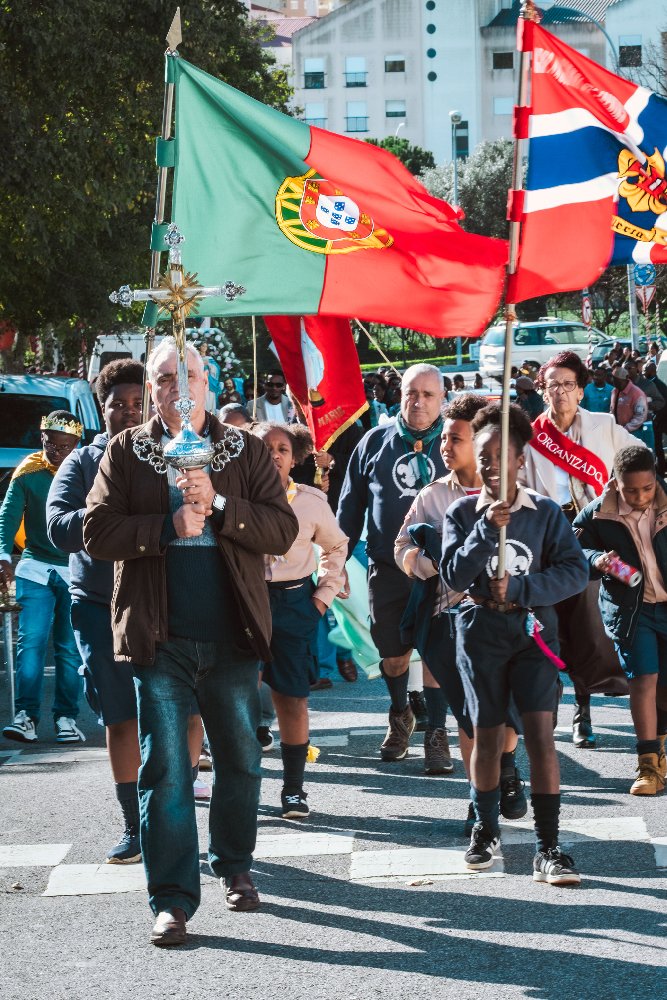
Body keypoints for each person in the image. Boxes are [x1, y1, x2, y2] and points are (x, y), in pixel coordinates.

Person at [83, 337, 298, 946]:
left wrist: (223, 506)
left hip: (232, 634)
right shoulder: (126, 452)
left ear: (210, 382)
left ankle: (234, 865)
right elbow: (96, 530)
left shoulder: (244, 448)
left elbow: (281, 530)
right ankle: (173, 899)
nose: (180, 387)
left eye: (191, 374)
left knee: (241, 760)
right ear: (151, 388)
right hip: (160, 637)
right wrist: (166, 526)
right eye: (166, 377)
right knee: (167, 769)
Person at [442, 403, 589, 885]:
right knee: (486, 734)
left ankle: (549, 845)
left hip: (532, 634)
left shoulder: (544, 513)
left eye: (500, 457)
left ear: (520, 460)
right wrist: (485, 530)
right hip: (480, 632)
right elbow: (453, 574)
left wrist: (525, 589)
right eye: (482, 456)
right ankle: (485, 828)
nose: (489, 466)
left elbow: (574, 571)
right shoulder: (461, 513)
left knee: (540, 734)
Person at [395, 394, 527, 831]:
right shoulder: (432, 496)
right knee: (471, 719)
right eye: (443, 438)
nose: (444, 447)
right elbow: (402, 546)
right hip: (450, 623)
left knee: (507, 718)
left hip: (509, 619)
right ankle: (479, 802)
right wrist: (422, 562)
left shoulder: (517, 494)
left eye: (456, 438)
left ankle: (506, 766)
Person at [524, 351, 639, 748]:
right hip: (545, 536)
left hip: (591, 535)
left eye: (568, 385)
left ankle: (583, 710)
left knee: (586, 625)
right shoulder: (529, 436)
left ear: (581, 388)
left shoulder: (604, 426)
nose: (560, 393)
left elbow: (638, 461)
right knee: (547, 621)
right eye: (552, 385)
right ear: (542, 390)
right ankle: (550, 701)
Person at [338, 364, 447, 761]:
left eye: (428, 395)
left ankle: (437, 731)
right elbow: (349, 510)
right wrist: (335, 565)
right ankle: (401, 714)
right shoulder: (373, 441)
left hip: (442, 572)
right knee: (394, 654)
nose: (418, 402)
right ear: (400, 396)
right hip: (388, 566)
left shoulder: (454, 441)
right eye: (411, 394)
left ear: (442, 399)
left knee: (436, 652)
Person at [254, 422, 348, 818]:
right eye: (266, 447)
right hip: (244, 603)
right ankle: (238, 787)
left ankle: (293, 790)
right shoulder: (231, 496)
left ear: (295, 458)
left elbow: (336, 545)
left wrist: (322, 599)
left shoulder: (309, 500)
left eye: (283, 449)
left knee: (292, 698)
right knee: (234, 696)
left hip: (294, 605)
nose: (274, 454)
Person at [574, 445, 667, 796]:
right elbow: (571, 548)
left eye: (647, 488)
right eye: (630, 490)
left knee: (665, 689)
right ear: (615, 482)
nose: (640, 496)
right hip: (632, 611)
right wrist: (596, 559)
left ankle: (659, 753)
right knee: (643, 680)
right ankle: (647, 765)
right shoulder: (598, 513)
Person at [1, 412, 83, 744]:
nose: (58, 453)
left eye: (66, 447)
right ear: (42, 440)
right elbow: (8, 514)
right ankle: (25, 716)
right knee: (31, 644)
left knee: (69, 648)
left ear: (77, 444)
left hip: (76, 568)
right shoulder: (28, 472)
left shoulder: (86, 470)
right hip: (34, 567)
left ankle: (66, 717)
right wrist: (3, 554)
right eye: (52, 445)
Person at [611, 365, 648, 432]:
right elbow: (612, 410)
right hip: (617, 432)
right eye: (613, 379)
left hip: (633, 433)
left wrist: (626, 429)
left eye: (617, 380)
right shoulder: (614, 391)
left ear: (626, 379)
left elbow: (640, 417)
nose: (614, 382)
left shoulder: (637, 393)